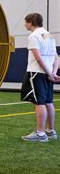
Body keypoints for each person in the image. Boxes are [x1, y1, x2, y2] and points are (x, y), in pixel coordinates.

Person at [20, 13, 59, 142]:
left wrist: (49, 73)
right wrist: (53, 73)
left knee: (39, 102)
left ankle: (40, 134)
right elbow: (56, 58)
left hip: (36, 73)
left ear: (30, 22)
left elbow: (38, 58)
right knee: (48, 101)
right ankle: (50, 131)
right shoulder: (50, 36)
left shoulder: (34, 36)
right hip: (47, 74)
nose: (25, 24)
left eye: (26, 22)